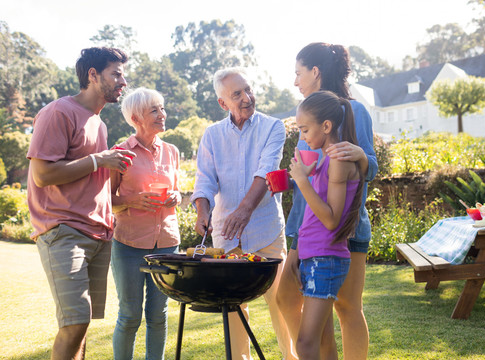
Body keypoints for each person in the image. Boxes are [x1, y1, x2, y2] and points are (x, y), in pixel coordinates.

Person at [27, 47, 132, 360]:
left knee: (83, 324)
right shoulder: (58, 112)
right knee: (75, 321)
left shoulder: (98, 124)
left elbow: (87, 176)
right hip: (63, 230)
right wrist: (100, 159)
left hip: (99, 234)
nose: (123, 81)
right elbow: (43, 174)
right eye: (116, 73)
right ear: (93, 75)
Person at [276, 42, 378, 360]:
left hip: (344, 230)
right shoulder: (310, 118)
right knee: (286, 298)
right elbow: (308, 183)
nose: (295, 81)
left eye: (298, 73)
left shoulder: (352, 111)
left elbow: (370, 169)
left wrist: (361, 155)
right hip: (307, 231)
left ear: (315, 72)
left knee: (347, 307)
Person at [191, 67, 297, 360]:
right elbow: (205, 180)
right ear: (223, 103)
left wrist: (244, 210)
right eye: (237, 94)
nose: (247, 97)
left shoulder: (273, 127)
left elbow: (267, 169)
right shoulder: (212, 135)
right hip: (228, 234)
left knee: (282, 301)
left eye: (248, 90)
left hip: (265, 228)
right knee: (234, 306)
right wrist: (202, 210)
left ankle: (293, 357)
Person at [290, 90, 365, 359]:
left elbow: (331, 219)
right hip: (315, 257)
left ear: (326, 126)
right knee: (321, 342)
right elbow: (311, 217)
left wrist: (301, 181)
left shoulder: (337, 160)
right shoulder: (325, 160)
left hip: (326, 259)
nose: (304, 136)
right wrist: (300, 254)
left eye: (305, 129)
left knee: (305, 344)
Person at [110, 87, 182, 360]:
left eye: (162, 108)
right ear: (136, 118)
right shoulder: (120, 153)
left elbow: (174, 190)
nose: (162, 114)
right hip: (129, 244)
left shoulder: (172, 151)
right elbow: (107, 201)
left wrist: (175, 195)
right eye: (154, 110)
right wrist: (133, 200)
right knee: (129, 316)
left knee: (158, 315)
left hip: (166, 245)